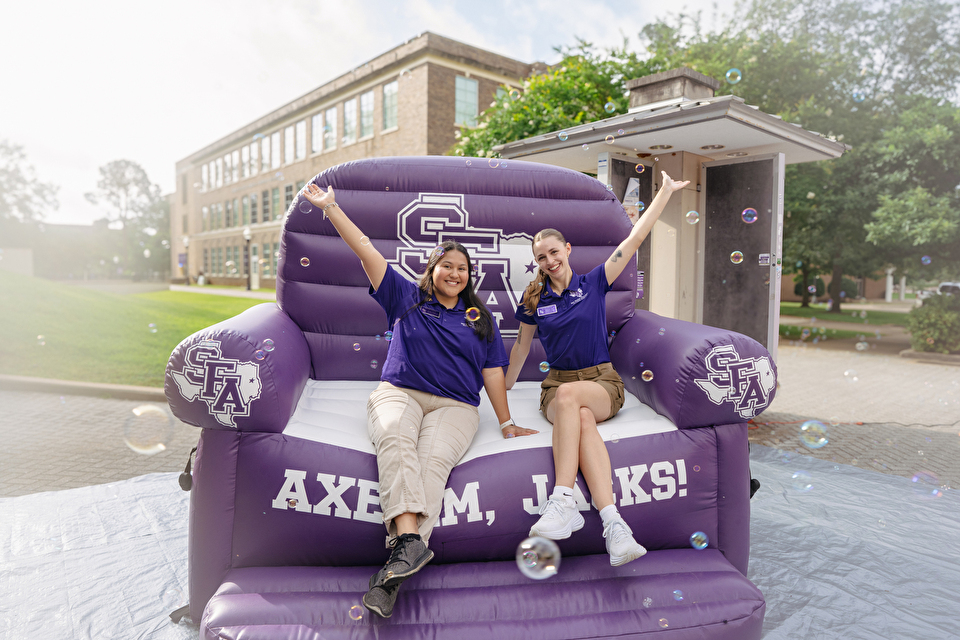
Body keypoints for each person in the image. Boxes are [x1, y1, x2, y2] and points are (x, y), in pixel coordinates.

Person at [301, 183, 537, 618]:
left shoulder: (480, 319)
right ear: (431, 270)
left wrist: (505, 422)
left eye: (462, 268)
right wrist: (331, 207)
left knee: (431, 469)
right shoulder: (406, 297)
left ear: (470, 276)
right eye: (447, 265)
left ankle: (392, 572)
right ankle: (408, 547)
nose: (455, 273)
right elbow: (366, 250)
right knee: (393, 437)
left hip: (456, 407)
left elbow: (492, 375)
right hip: (399, 393)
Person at [505, 171, 689, 566]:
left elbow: (634, 240)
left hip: (601, 381)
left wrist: (665, 194)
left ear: (568, 249)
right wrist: (501, 394)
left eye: (555, 252)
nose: (550, 261)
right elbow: (521, 347)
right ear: (536, 262)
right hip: (555, 387)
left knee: (578, 399)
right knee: (580, 416)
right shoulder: (534, 297)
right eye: (541, 257)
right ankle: (614, 525)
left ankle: (562, 500)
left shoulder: (594, 283)